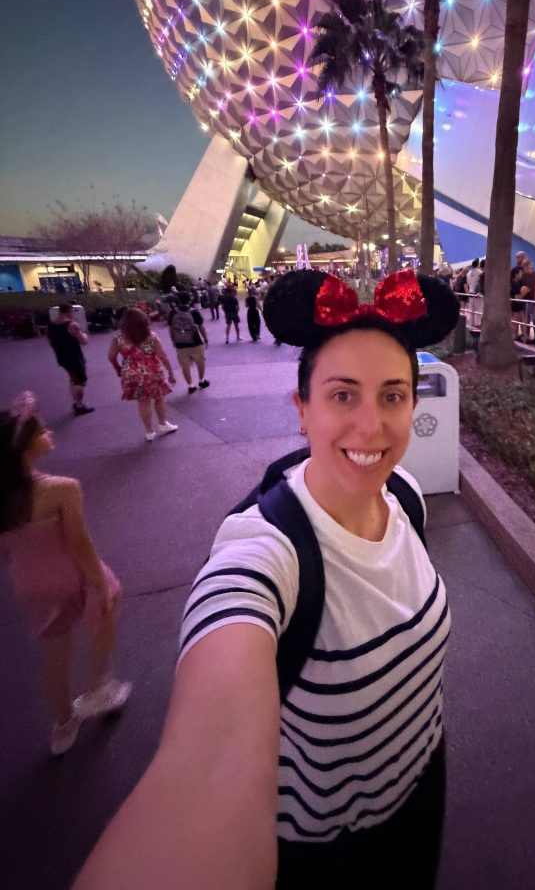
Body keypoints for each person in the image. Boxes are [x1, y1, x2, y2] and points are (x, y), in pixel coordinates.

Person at [74, 269, 459, 890]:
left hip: (422, 793)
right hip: (325, 850)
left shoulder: (405, 497)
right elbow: (209, 765)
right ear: (301, 409)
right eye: (342, 395)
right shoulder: (263, 556)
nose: (371, 425)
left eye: (393, 395)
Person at [0, 393, 131, 756]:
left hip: (29, 583)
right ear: (25, 448)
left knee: (55, 652)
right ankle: (99, 687)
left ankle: (62, 726)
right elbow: (79, 542)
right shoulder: (61, 489)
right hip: (70, 573)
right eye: (40, 430)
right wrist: (97, 583)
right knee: (106, 611)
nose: (49, 432)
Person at [108, 308, 178, 442]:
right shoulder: (151, 336)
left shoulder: (118, 339)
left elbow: (111, 356)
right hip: (152, 372)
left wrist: (118, 367)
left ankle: (149, 431)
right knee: (158, 397)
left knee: (143, 402)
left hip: (131, 373)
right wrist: (170, 372)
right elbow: (162, 356)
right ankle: (163, 424)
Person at [47, 304, 94, 416]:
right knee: (80, 382)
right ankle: (79, 406)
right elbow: (84, 341)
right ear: (68, 312)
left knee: (72, 378)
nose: (73, 314)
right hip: (74, 357)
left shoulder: (51, 325)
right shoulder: (72, 325)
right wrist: (84, 334)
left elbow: (50, 341)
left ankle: (75, 403)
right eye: (72, 312)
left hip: (61, 356)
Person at [168, 293, 210, 394]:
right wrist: (206, 339)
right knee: (200, 362)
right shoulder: (194, 312)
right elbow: (201, 328)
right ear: (189, 300)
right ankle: (202, 381)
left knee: (185, 366)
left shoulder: (173, 313)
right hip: (195, 342)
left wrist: (174, 341)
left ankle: (190, 386)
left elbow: (171, 329)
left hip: (180, 344)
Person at [520, 258, 535, 341]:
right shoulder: (522, 276)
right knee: (526, 319)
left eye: (529, 265)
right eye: (526, 266)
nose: (528, 267)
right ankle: (526, 335)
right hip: (526, 301)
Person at [509, 266, 527, 341]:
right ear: (516, 274)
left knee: (520, 321)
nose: (521, 274)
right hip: (516, 305)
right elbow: (517, 297)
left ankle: (522, 337)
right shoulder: (515, 283)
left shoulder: (514, 282)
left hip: (516, 305)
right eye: (520, 273)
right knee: (517, 322)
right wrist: (525, 292)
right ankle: (516, 337)